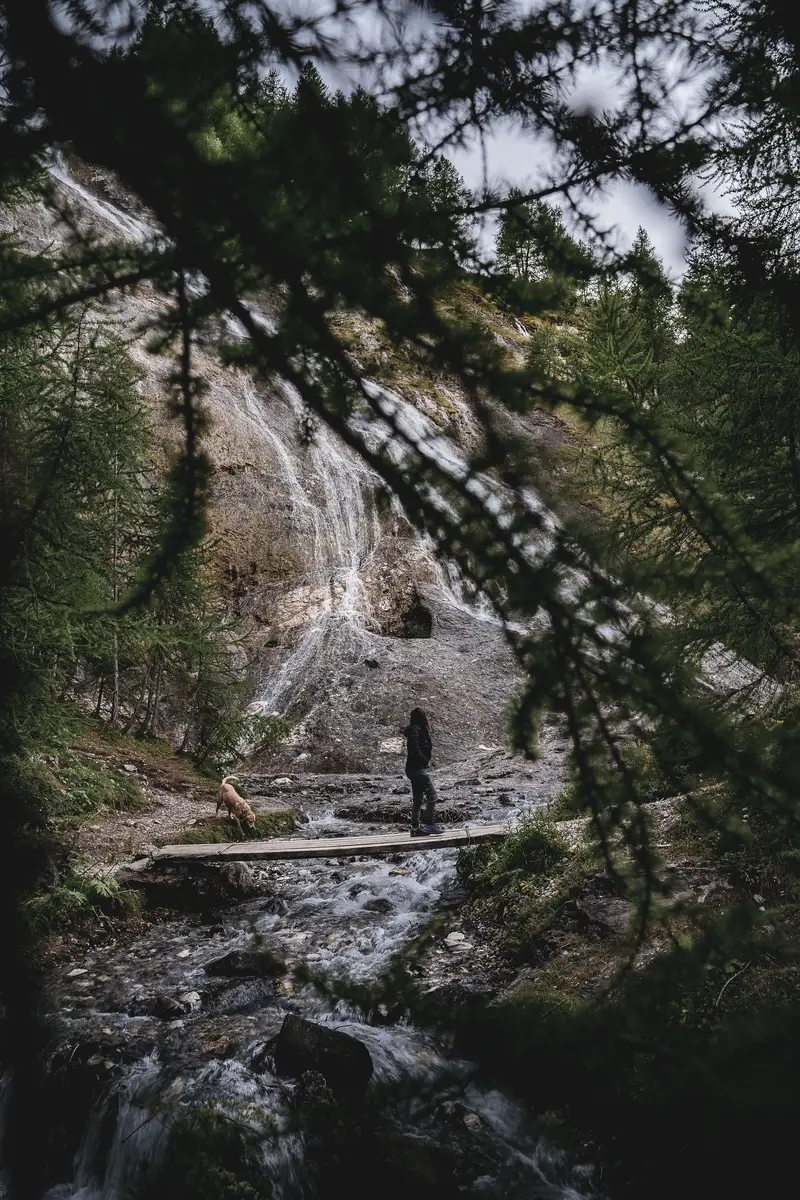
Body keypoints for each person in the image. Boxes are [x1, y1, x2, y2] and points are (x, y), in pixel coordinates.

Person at [403, 707, 442, 836]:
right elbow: (415, 748)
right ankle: (429, 823)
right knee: (432, 795)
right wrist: (424, 760)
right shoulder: (416, 730)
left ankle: (415, 828)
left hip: (412, 769)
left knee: (418, 799)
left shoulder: (415, 730)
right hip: (417, 769)